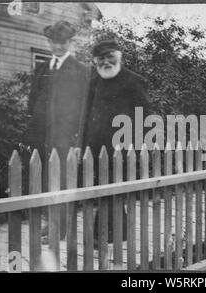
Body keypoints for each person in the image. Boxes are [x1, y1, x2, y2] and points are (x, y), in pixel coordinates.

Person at [24, 20, 90, 239]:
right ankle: (47, 223)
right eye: (54, 42)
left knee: (61, 180)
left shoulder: (80, 71)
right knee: (43, 178)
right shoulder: (42, 67)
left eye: (63, 43)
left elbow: (83, 110)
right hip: (41, 136)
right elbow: (32, 103)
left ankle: (59, 229)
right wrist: (30, 132)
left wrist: (78, 141)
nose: (58, 47)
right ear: (49, 42)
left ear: (70, 42)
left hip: (64, 138)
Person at [84, 40, 149, 243]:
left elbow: (145, 116)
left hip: (122, 147)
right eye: (101, 58)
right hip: (96, 147)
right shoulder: (93, 81)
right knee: (105, 188)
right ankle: (118, 232)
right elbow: (85, 115)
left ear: (119, 56)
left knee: (111, 187)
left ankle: (100, 235)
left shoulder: (133, 81)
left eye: (110, 56)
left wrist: (137, 149)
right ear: (95, 61)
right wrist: (82, 144)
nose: (106, 62)